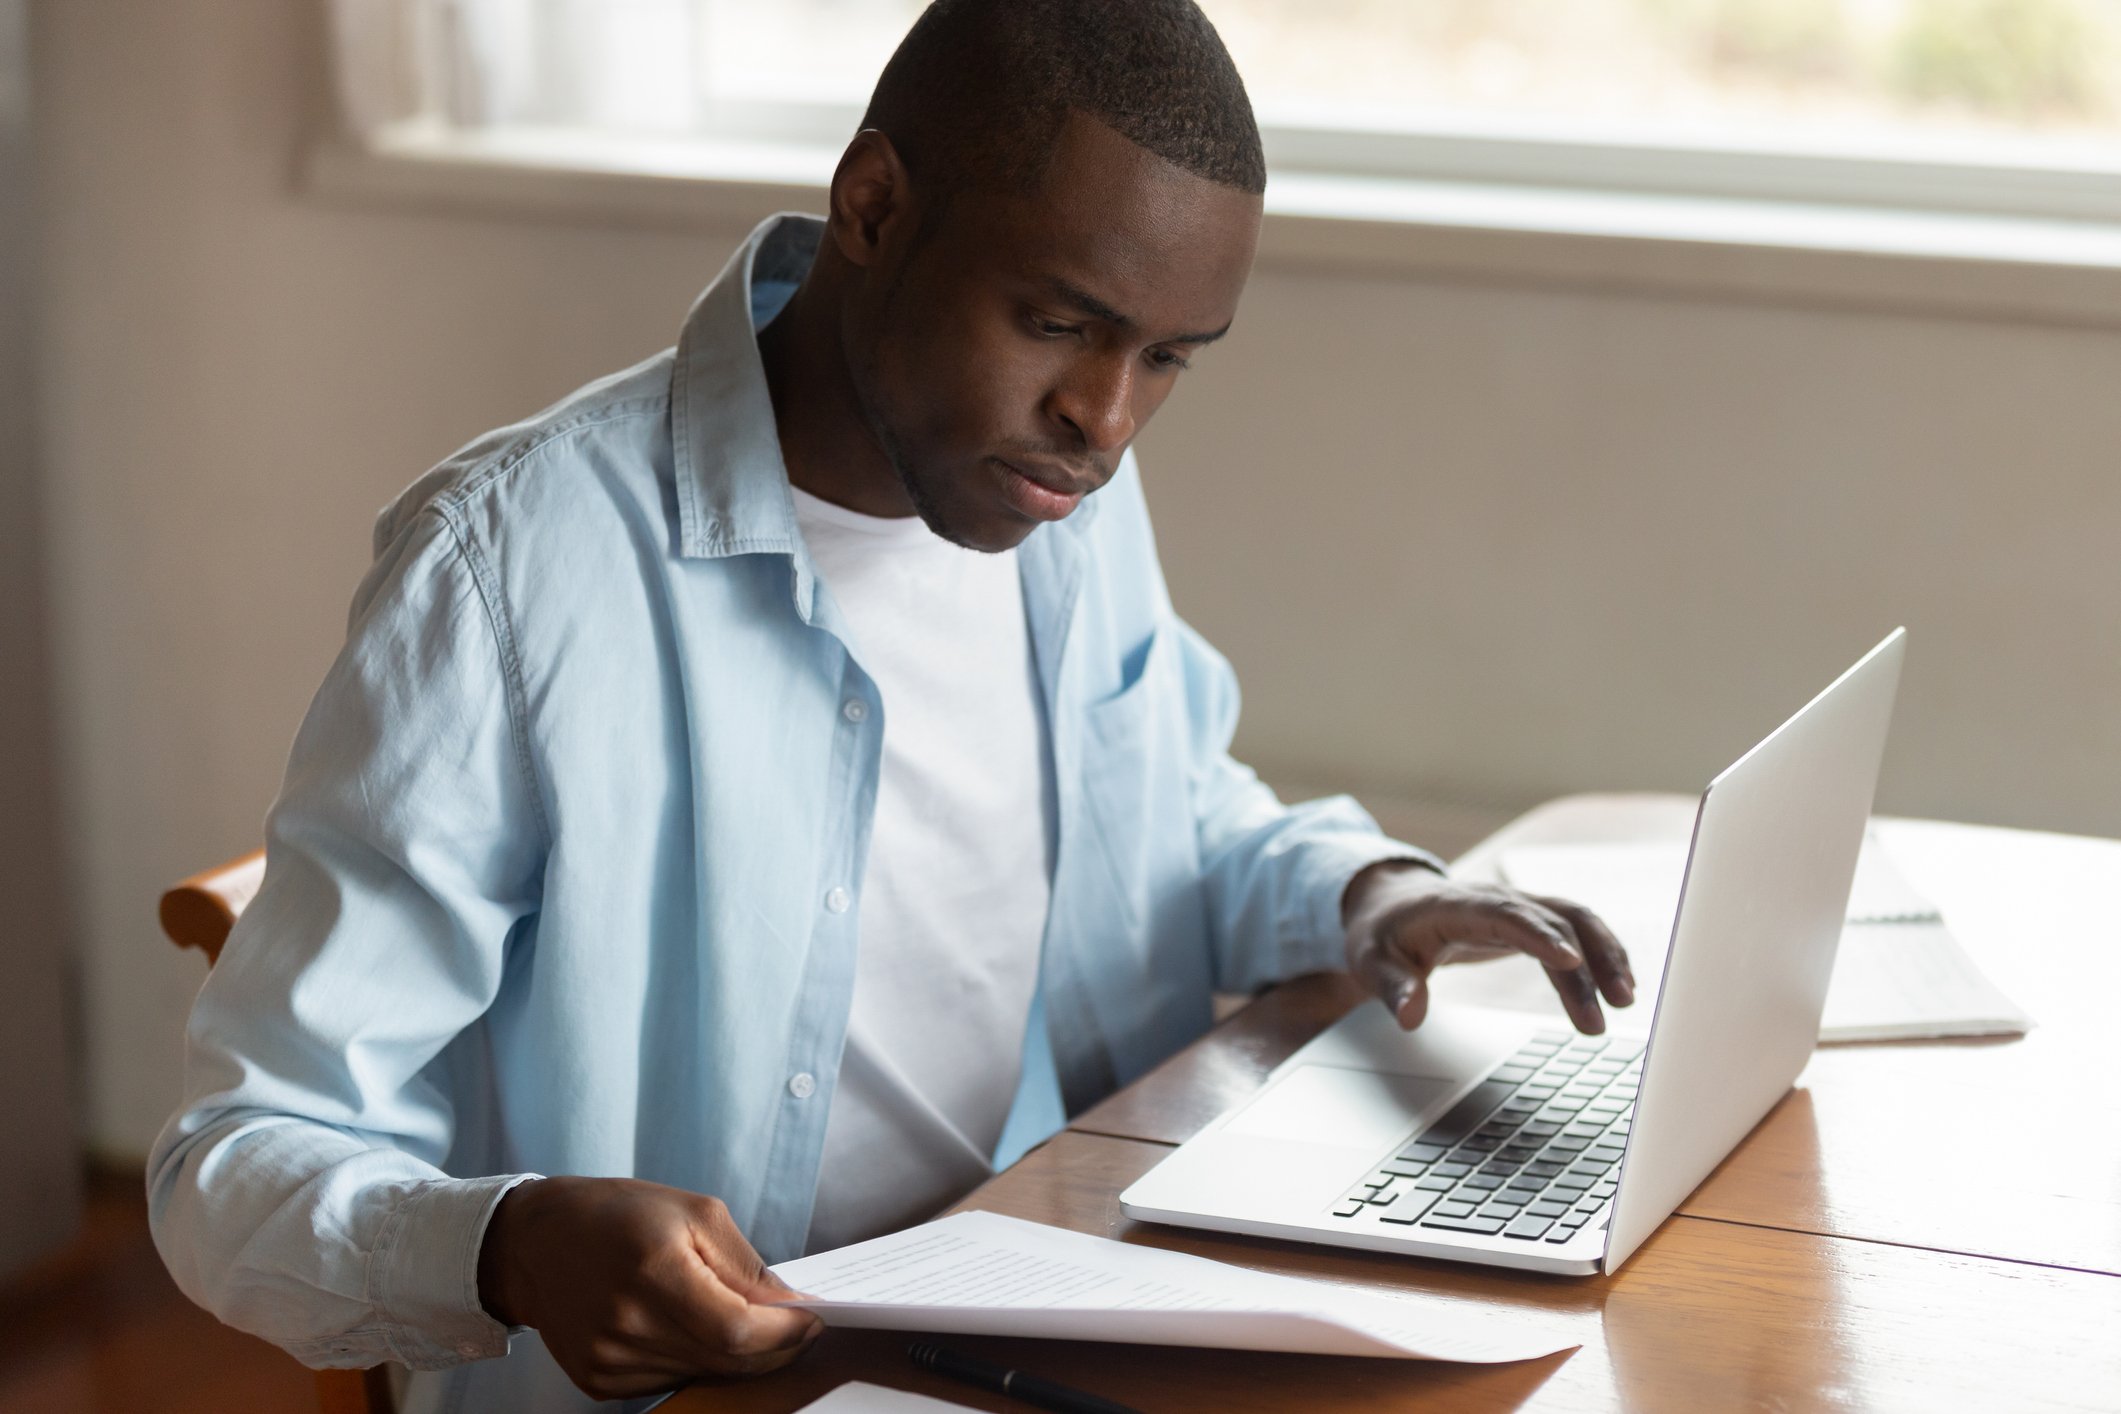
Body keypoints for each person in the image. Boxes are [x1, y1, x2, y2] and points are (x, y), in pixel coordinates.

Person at [149, 2, 1634, 1410]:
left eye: (1168, 359)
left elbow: (1173, 819)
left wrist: (1375, 895)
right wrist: (507, 1242)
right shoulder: (510, 574)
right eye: (1059, 322)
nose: (1108, 420)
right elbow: (230, 1161)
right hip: (720, 1392)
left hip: (1041, 1310)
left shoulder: (1055, 495)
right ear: (871, 207)